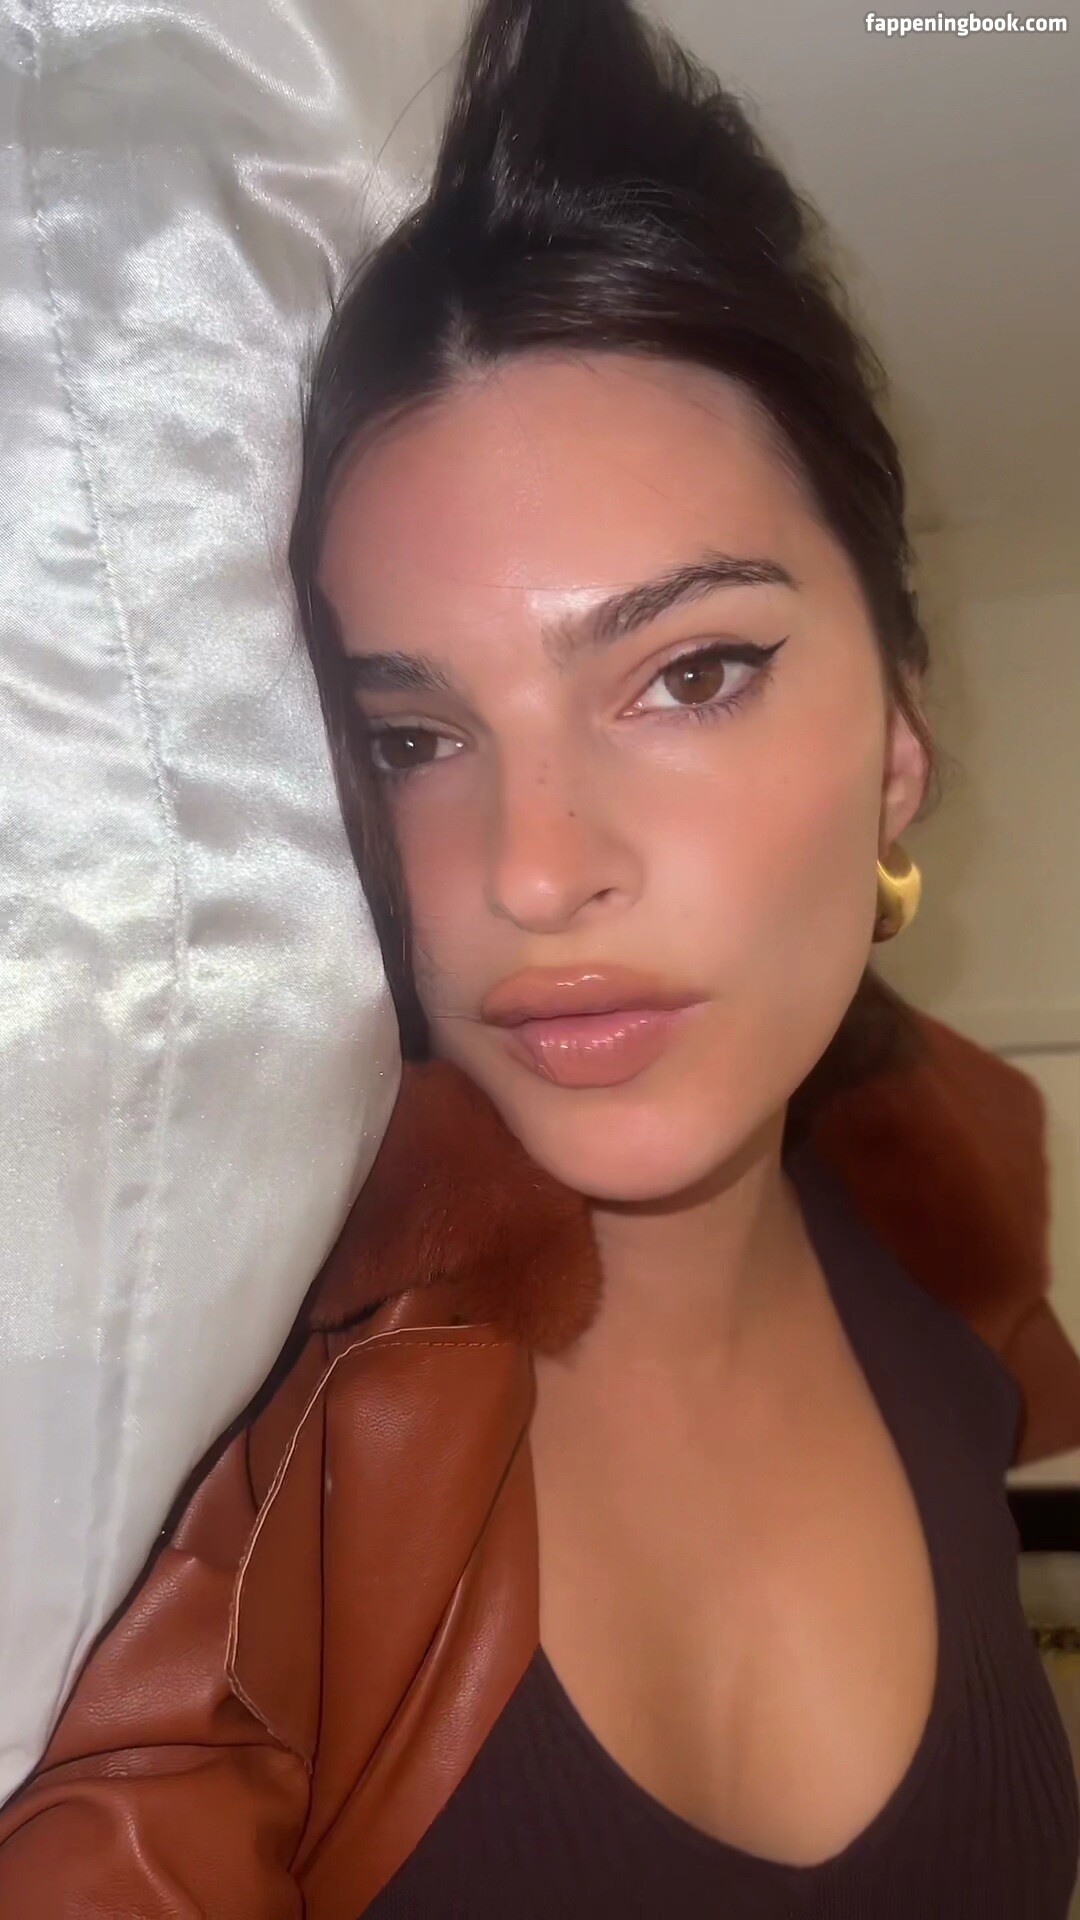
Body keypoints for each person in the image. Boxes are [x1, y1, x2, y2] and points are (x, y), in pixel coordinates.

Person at [1, 0, 1077, 1912]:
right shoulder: (219, 1482)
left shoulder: (958, 1264)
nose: (535, 868)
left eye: (693, 673)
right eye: (414, 737)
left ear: (901, 740)